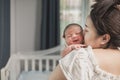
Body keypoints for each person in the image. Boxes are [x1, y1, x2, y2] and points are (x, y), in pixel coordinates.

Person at [49, 0, 120, 80]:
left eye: (86, 30)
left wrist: (66, 60)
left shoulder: (81, 57)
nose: (82, 33)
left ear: (104, 38)